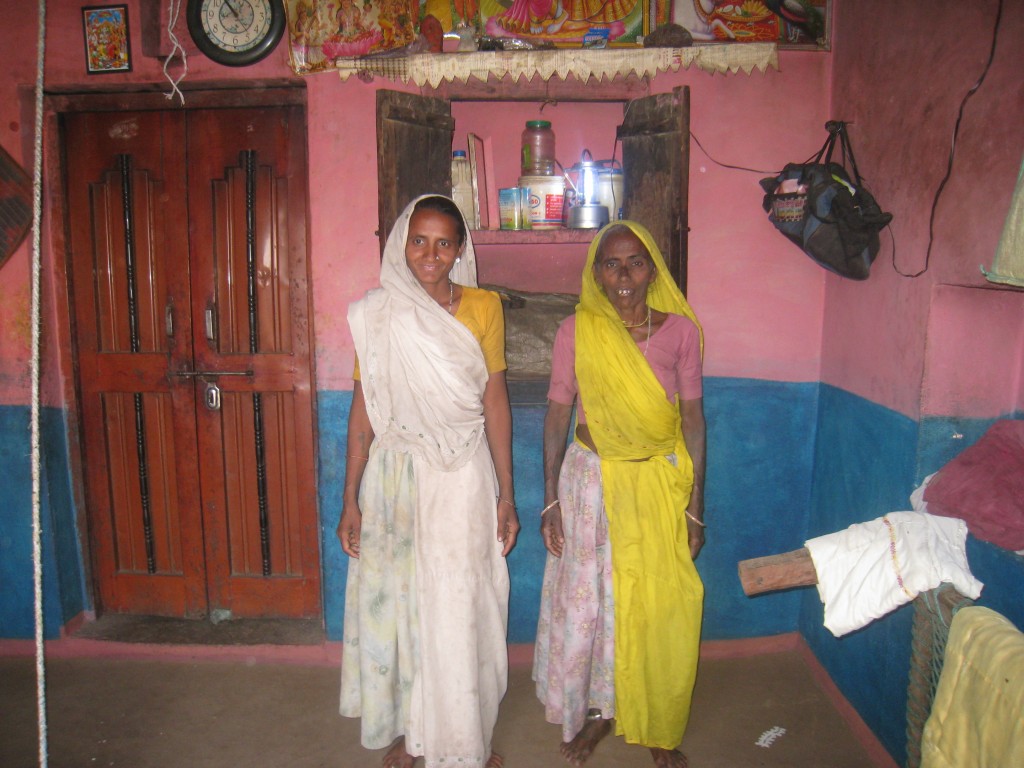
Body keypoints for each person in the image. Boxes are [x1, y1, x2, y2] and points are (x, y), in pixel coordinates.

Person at [338, 195, 520, 768]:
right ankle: (413, 733)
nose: (430, 254)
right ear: (401, 243)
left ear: (460, 250)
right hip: (394, 480)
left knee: (462, 601)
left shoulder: (485, 307)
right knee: (402, 605)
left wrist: (507, 494)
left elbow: (495, 399)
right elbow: (364, 407)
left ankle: (466, 737)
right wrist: (349, 497)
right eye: (420, 240)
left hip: (462, 474)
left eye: (444, 243)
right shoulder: (377, 313)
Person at [533, 221, 706, 768]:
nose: (624, 275)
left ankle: (653, 720)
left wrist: (695, 510)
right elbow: (559, 412)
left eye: (635, 262)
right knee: (591, 602)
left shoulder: (680, 333)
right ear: (596, 273)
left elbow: (695, 422)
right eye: (612, 263)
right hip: (589, 483)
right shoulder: (576, 331)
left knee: (653, 603)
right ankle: (596, 715)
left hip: (655, 485)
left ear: (653, 269)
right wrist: (550, 500)